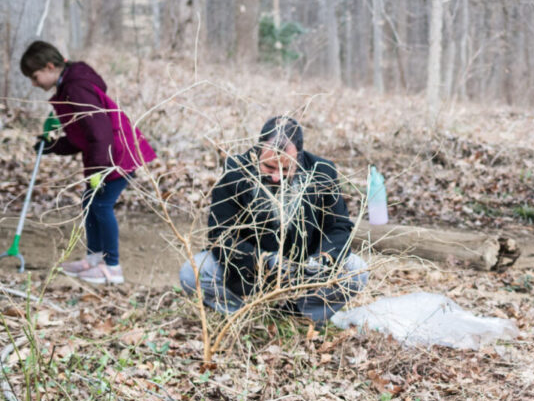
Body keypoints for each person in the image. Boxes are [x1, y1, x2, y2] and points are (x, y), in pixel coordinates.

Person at [180, 116, 368, 324]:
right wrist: (263, 261)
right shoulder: (236, 170)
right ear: (258, 151)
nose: (276, 177)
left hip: (306, 268)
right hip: (249, 268)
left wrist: (322, 260)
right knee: (193, 272)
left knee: (356, 271)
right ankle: (246, 316)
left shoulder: (322, 171)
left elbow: (339, 227)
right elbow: (221, 235)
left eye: (286, 169)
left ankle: (297, 316)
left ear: (299, 157)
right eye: (269, 167)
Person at [20, 40, 156, 285]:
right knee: (89, 201)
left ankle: (112, 267)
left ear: (50, 66)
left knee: (101, 205)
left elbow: (100, 132)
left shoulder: (77, 88)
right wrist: (51, 146)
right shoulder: (69, 88)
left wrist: (100, 171)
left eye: (35, 76)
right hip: (108, 154)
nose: (34, 83)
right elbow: (81, 137)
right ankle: (93, 259)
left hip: (117, 154)